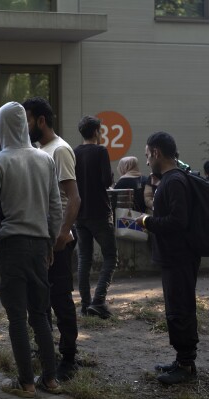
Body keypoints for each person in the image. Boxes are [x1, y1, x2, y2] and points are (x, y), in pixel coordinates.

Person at [0, 102, 63, 397]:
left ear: (1, 126)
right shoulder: (45, 159)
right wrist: (51, 240)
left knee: (17, 317)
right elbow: (56, 206)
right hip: (41, 245)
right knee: (40, 314)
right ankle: (50, 380)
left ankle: (26, 383)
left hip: (12, 245)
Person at [22, 97, 81, 381]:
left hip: (58, 242)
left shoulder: (59, 150)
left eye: (28, 120)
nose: (24, 125)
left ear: (41, 121)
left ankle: (68, 357)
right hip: (40, 240)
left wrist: (61, 235)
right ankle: (46, 352)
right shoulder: (38, 150)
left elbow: (74, 198)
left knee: (61, 300)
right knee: (39, 301)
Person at [136, 131, 200, 385]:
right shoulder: (174, 179)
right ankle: (183, 360)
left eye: (147, 155)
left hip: (179, 257)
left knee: (180, 309)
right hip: (177, 256)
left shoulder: (173, 182)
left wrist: (147, 221)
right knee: (178, 308)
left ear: (157, 153)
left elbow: (178, 221)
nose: (147, 160)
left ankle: (185, 365)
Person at [74, 116, 118, 319]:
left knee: (84, 258)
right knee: (110, 256)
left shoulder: (74, 152)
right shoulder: (101, 151)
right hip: (100, 211)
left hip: (80, 213)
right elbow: (106, 181)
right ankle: (99, 301)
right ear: (96, 132)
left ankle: (85, 304)